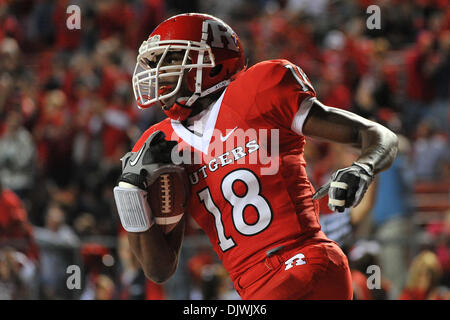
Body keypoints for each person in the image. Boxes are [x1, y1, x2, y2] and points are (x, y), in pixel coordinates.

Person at [113, 13, 398, 300]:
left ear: (212, 63)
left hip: (304, 261)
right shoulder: (160, 144)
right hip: (251, 290)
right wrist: (130, 192)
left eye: (172, 58)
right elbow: (159, 269)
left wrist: (363, 168)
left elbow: (378, 135)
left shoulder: (260, 88)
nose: (158, 71)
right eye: (153, 62)